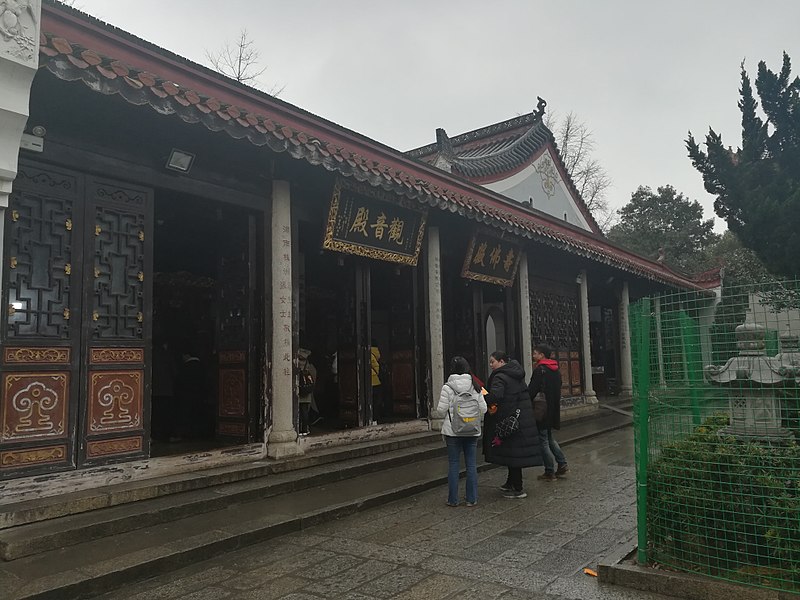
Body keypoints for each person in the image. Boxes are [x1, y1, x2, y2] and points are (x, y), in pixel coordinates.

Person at [483, 350, 542, 499]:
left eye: (493, 361)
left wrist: (483, 396)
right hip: (520, 419)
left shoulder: (500, 377)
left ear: (502, 362)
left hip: (509, 420)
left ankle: (518, 488)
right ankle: (510, 482)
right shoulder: (515, 374)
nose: (491, 365)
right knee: (513, 453)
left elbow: (496, 395)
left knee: (514, 454)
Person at [437, 356, 488, 507]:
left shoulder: (448, 387)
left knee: (453, 464)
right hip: (471, 430)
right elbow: (484, 409)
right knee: (471, 465)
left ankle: (453, 500)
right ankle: (471, 499)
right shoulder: (475, 385)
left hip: (452, 431)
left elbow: (440, 411)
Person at [528, 343, 569, 481]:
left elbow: (532, 390)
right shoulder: (555, 370)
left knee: (543, 441)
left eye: (535, 353)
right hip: (552, 409)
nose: (533, 356)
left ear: (541, 355)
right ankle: (562, 463)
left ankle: (549, 471)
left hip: (541, 410)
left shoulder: (540, 370)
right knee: (549, 438)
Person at [296, 348, 316, 436]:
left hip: (299, 391)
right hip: (306, 393)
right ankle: (304, 429)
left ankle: (300, 428)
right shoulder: (310, 367)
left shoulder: (296, 364)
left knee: (300, 412)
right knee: (304, 411)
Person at [370, 340, 382, 425]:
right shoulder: (376, 353)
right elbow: (376, 366)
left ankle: (372, 419)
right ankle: (375, 420)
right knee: (375, 401)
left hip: (368, 381)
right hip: (375, 381)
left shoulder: (368, 353)